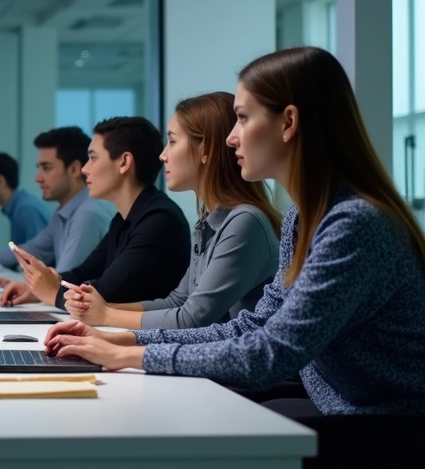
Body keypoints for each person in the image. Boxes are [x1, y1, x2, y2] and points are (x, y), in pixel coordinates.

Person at [45, 47, 425, 418]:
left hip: (385, 424)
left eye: (242, 119)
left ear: (289, 123)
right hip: (333, 404)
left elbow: (270, 353)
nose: (231, 138)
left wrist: (126, 354)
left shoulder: (353, 225)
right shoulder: (302, 217)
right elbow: (255, 324)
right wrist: (121, 339)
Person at [63, 93, 279, 329]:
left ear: (205, 149)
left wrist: (105, 316)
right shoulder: (210, 222)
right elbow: (178, 300)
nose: (163, 155)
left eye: (173, 142)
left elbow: (193, 318)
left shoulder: (244, 222)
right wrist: (102, 308)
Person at [0, 117, 190, 308]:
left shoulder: (159, 220)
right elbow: (82, 274)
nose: (84, 169)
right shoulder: (123, 219)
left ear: (124, 162)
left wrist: (51, 293)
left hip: (150, 338)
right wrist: (40, 286)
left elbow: (103, 293)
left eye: (93, 158)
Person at [0, 128, 112, 276]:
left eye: (47, 168)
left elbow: (63, 281)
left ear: (75, 169)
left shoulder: (88, 214)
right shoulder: (61, 212)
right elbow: (29, 250)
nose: (38, 178)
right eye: (39, 168)